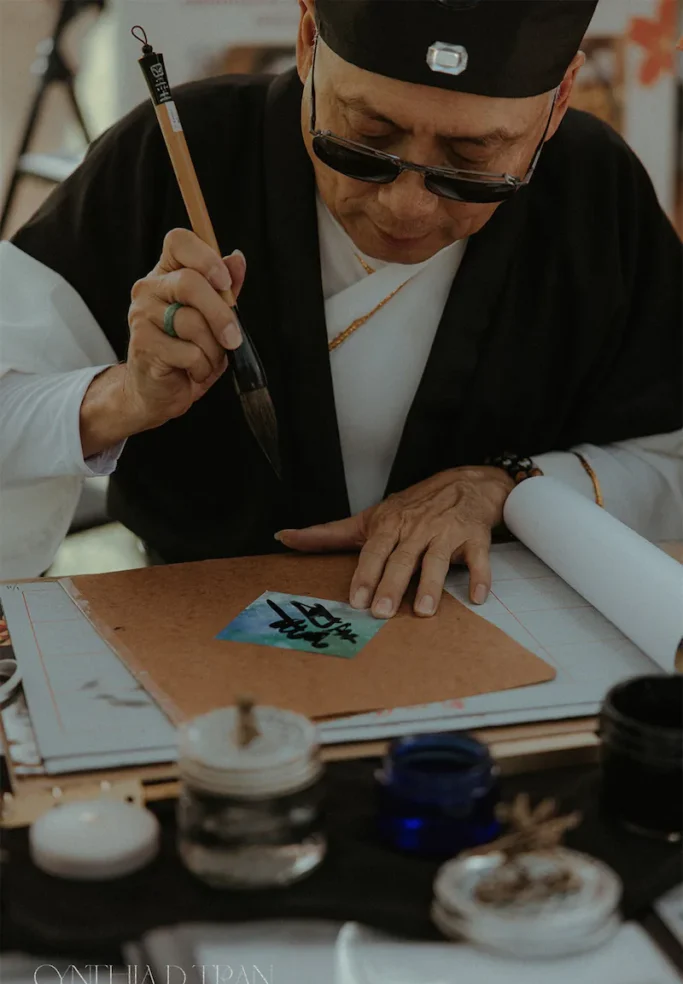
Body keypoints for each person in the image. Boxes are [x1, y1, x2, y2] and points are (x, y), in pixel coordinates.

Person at [0, 0, 681, 617]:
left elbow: (668, 462)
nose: (406, 206)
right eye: (366, 139)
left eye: (471, 159)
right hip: (194, 628)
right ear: (305, 42)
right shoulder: (181, 152)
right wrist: (122, 397)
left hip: (497, 632)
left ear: (559, 99)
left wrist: (509, 489)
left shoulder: (592, 190)